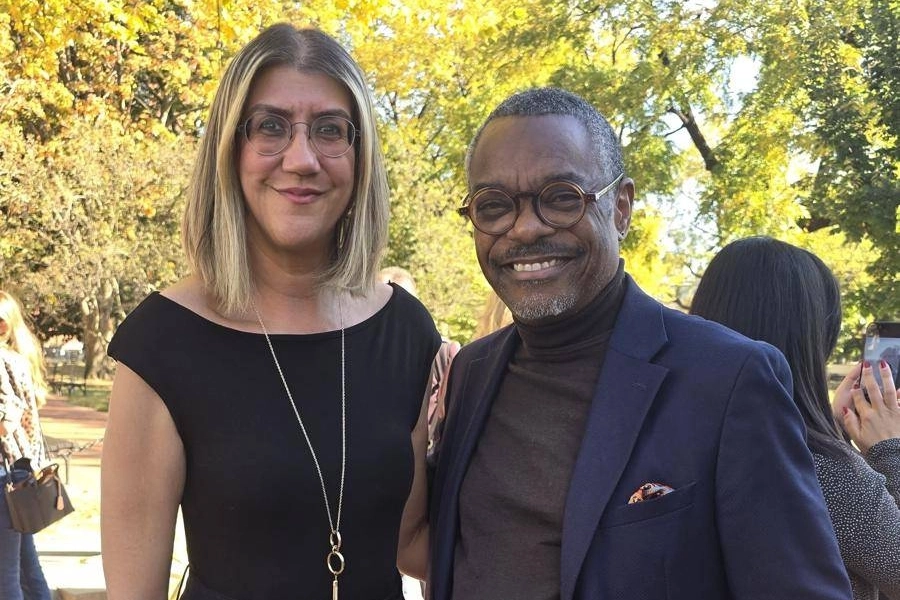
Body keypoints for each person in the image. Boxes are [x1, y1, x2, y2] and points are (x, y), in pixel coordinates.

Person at [428, 87, 853, 599]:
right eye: (494, 206)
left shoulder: (728, 379)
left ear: (622, 207)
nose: (524, 229)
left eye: (561, 197)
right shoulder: (471, 372)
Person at [101, 24, 441, 600]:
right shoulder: (162, 343)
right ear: (230, 148)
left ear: (360, 157)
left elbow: (412, 545)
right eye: (270, 126)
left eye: (330, 130)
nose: (302, 159)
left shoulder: (406, 330)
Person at [689, 236, 900, 600]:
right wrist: (889, 450)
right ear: (810, 342)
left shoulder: (678, 435)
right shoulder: (822, 469)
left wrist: (830, 426)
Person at [0, 290, 53, 600]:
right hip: (19, 474)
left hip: (5, 477)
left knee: (6, 579)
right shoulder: (15, 359)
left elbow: (6, 420)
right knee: (26, 570)